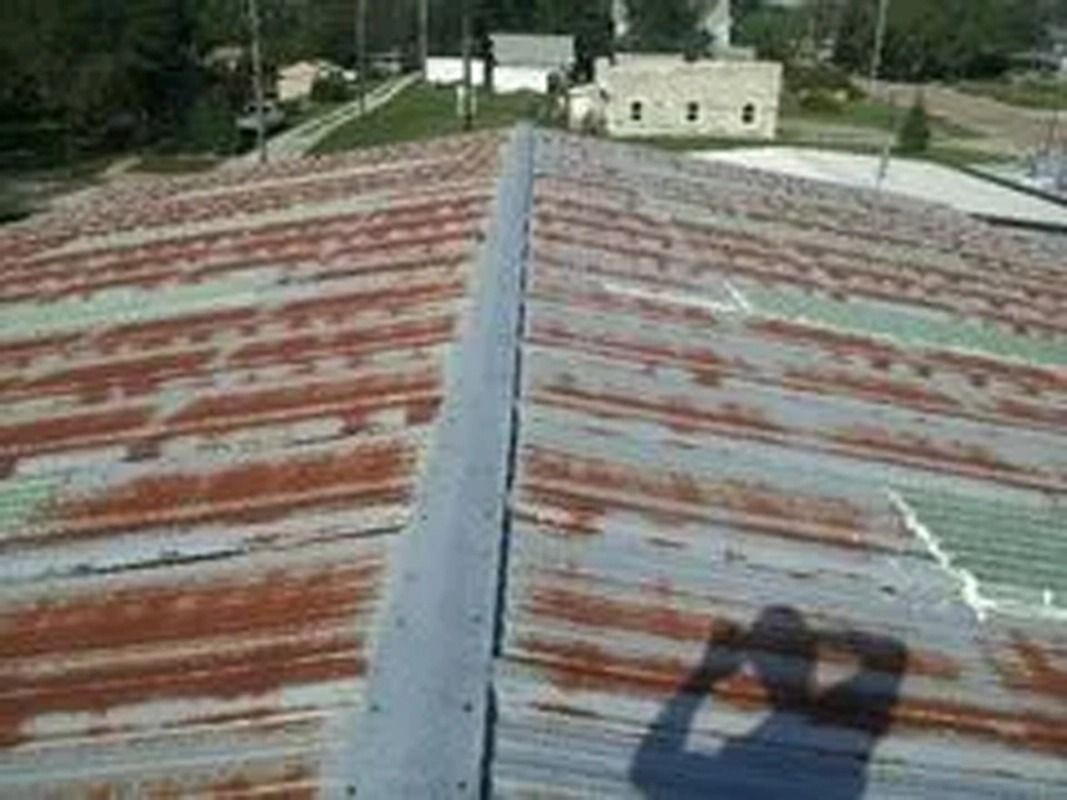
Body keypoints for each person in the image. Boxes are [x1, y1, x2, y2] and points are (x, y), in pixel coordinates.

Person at [630, 606, 907, 799]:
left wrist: (707, 675)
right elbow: (647, 771)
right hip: (825, 766)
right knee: (886, 662)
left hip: (817, 765)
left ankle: (795, 697)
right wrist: (706, 676)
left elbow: (648, 770)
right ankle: (796, 698)